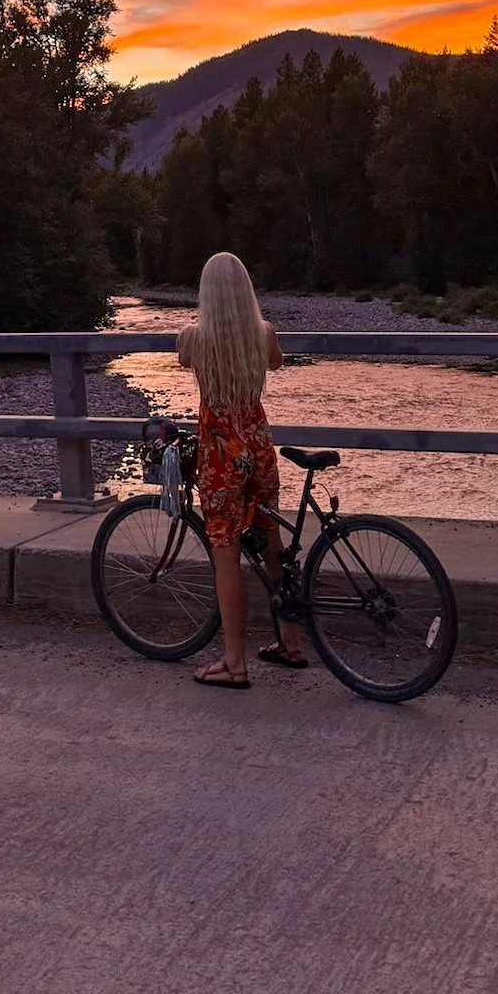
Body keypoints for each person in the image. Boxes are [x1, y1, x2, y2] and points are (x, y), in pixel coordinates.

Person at [177, 251, 307, 689]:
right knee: (272, 542)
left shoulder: (193, 339)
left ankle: (234, 662)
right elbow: (277, 361)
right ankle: (291, 642)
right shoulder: (263, 333)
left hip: (221, 456)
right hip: (258, 446)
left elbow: (183, 360)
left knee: (226, 554)